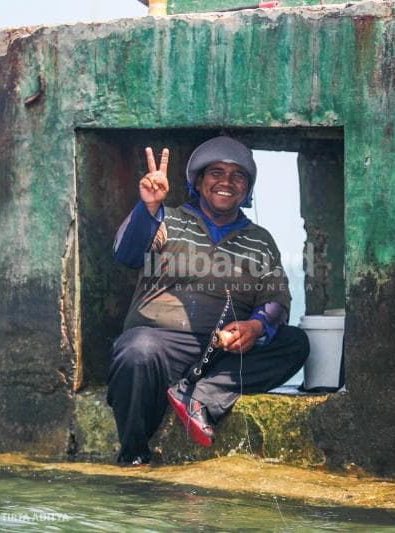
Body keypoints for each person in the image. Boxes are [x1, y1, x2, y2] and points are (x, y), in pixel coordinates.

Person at [108, 136, 310, 466]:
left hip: (223, 354)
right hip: (161, 344)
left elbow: (277, 299)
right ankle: (134, 458)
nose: (226, 182)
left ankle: (200, 398)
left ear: (247, 188)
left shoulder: (261, 241)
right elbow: (126, 253)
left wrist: (255, 326)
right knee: (136, 351)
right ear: (199, 181)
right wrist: (148, 208)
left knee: (295, 344)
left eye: (238, 175)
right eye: (216, 172)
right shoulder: (167, 221)